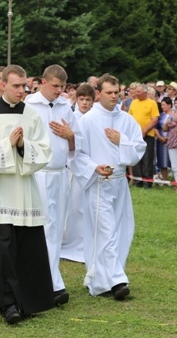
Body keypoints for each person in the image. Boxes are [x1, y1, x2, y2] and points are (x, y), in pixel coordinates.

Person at [0, 65, 54, 324]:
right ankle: (7, 304)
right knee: (1, 250)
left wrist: (22, 146)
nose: (21, 91)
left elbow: (44, 150)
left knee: (26, 248)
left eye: (24, 86)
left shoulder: (31, 114)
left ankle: (26, 301)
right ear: (2, 84)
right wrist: (8, 143)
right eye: (16, 86)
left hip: (23, 192)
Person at [71, 74, 146, 300]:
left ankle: (101, 277)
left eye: (117, 92)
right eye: (109, 92)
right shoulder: (87, 120)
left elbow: (138, 149)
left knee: (121, 229)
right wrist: (94, 167)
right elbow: (77, 153)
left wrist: (121, 140)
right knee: (105, 230)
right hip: (98, 183)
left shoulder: (127, 120)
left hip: (119, 182)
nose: (114, 96)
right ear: (99, 94)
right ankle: (117, 280)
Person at [25, 64, 79, 306]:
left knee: (56, 228)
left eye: (62, 87)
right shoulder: (29, 105)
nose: (59, 91)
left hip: (59, 173)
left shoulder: (66, 106)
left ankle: (52, 279)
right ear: (43, 82)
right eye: (55, 86)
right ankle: (48, 283)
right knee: (42, 228)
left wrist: (70, 136)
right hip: (38, 174)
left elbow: (76, 142)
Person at [61, 83, 95, 263]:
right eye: (81, 99)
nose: (84, 103)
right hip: (72, 167)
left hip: (90, 167)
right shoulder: (71, 117)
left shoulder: (95, 118)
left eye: (88, 100)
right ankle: (70, 241)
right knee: (71, 207)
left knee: (86, 207)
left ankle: (84, 243)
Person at [128, 83, 159, 188]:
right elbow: (129, 117)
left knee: (147, 159)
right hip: (135, 135)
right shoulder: (133, 103)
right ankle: (138, 181)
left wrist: (145, 130)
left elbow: (155, 119)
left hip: (147, 135)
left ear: (145, 93)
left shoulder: (152, 103)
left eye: (139, 92)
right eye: (136, 91)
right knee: (136, 158)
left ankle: (147, 182)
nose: (136, 93)